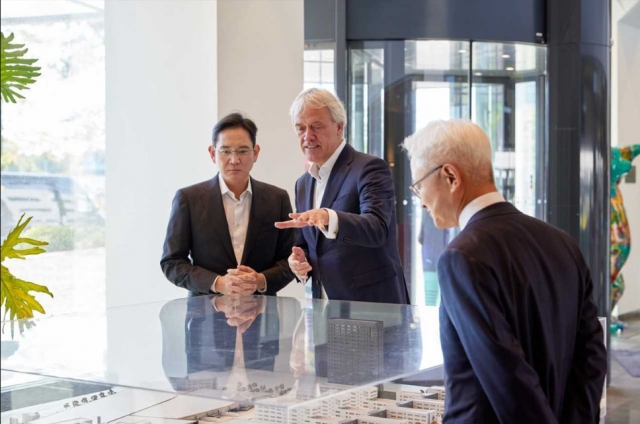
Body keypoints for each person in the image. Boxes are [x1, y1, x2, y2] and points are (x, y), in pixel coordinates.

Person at [402, 119, 607, 423]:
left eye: (419, 186)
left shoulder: (461, 257)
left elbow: (507, 377)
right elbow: (591, 357)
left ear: (450, 176)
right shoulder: (562, 242)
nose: (421, 203)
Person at [275, 88, 408, 304]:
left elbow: (377, 229)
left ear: (339, 127)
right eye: (300, 128)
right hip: (324, 308)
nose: (308, 136)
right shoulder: (303, 183)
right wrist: (298, 262)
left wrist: (329, 218)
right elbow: (308, 246)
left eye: (316, 127)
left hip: (371, 306)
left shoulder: (369, 168)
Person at [161, 112, 294, 296]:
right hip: (205, 315)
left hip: (263, 315)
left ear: (255, 153)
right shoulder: (188, 199)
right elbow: (172, 262)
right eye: (225, 151)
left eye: (242, 151)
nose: (234, 160)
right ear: (212, 153)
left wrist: (260, 281)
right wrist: (217, 283)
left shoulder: (277, 199)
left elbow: (290, 260)